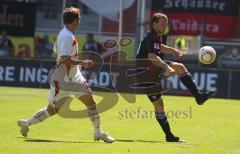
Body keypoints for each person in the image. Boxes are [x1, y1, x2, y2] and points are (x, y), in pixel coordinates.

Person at [17, 7, 115, 143]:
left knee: (91, 103)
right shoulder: (66, 36)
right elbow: (63, 58)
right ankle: (27, 123)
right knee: (52, 110)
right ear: (74, 20)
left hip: (75, 77)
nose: (80, 21)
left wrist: (77, 65)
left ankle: (98, 132)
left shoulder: (66, 34)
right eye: (79, 19)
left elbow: (57, 51)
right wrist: (82, 61)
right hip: (63, 81)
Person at [136, 13, 215, 142]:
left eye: (166, 23)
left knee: (180, 68)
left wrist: (172, 50)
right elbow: (152, 56)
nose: (164, 26)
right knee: (159, 105)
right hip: (144, 73)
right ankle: (169, 135)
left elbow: (159, 47)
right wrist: (167, 68)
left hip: (151, 69)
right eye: (162, 23)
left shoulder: (156, 35)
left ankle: (199, 97)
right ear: (154, 23)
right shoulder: (151, 36)